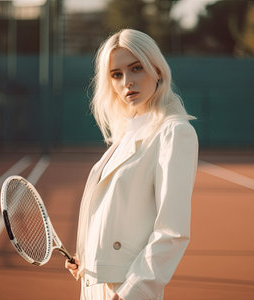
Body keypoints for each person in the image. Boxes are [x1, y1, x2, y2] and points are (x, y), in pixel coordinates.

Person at [65, 29, 198, 300]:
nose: (127, 82)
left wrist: (131, 293)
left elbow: (171, 232)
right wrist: (89, 257)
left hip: (126, 291)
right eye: (117, 74)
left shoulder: (174, 133)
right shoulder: (125, 135)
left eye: (136, 69)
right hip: (95, 287)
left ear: (157, 70)